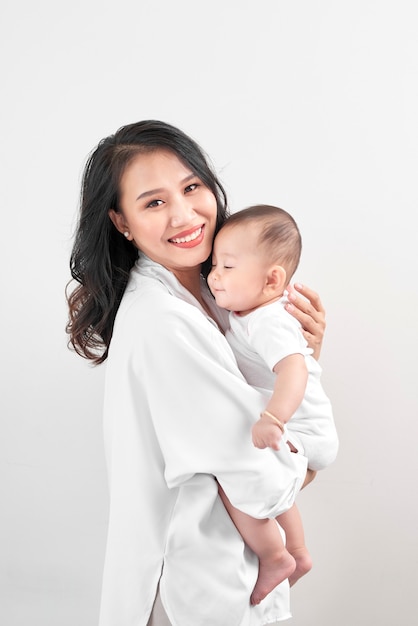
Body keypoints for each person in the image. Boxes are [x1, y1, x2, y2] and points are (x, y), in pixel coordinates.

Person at [66, 121, 327, 626]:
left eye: (191, 187)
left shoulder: (223, 295)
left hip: (227, 579)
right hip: (191, 591)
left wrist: (298, 356)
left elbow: (260, 429)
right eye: (154, 202)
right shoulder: (163, 322)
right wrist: (310, 439)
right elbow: (264, 480)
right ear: (122, 223)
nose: (185, 215)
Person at [207, 204, 339, 605]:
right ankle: (297, 554)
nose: (214, 276)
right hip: (305, 428)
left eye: (227, 267)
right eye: (213, 265)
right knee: (268, 487)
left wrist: (272, 418)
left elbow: (295, 371)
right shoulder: (253, 312)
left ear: (272, 280)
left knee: (236, 482)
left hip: (301, 428)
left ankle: (274, 555)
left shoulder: (268, 320)